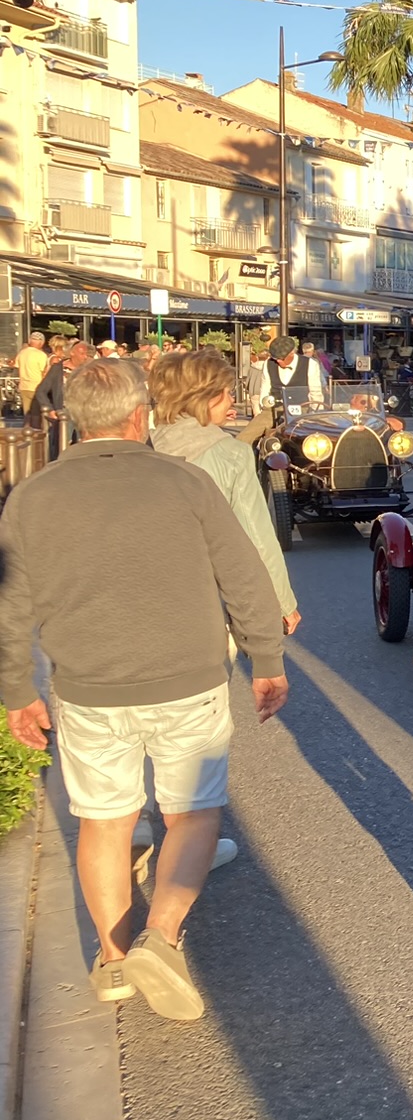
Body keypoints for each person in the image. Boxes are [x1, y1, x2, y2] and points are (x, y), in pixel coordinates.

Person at [0, 358, 287, 1018]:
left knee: (104, 821)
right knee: (191, 813)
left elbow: (10, 606)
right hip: (187, 680)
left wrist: (17, 691)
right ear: (140, 416)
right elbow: (243, 575)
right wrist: (266, 658)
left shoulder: (32, 497)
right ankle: (161, 935)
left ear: (75, 420)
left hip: (87, 687)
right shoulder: (185, 482)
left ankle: (111, 960)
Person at [148, 351, 300, 639]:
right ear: (207, 398)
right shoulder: (232, 455)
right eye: (228, 393)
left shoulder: (145, 447)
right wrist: (283, 602)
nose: (232, 401)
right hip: (201, 603)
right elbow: (256, 539)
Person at [250, 334, 328, 408]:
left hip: (302, 410)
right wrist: (263, 406)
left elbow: (315, 392)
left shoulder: (310, 364)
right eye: (276, 359)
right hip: (275, 409)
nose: (278, 361)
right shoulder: (268, 363)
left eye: (282, 358)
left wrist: (316, 411)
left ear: (292, 353)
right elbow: (265, 388)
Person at [15, 330, 47, 395]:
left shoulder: (22, 353)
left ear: (29, 341)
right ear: (42, 343)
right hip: (37, 387)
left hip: (24, 387)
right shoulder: (41, 355)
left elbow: (16, 366)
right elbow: (44, 372)